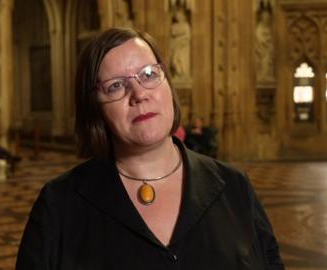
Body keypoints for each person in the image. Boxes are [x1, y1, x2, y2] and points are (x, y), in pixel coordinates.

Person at [16, 27, 284, 269]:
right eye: (116, 86)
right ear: (94, 107)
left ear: (167, 83)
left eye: (148, 74)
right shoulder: (59, 204)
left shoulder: (234, 186)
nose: (139, 94)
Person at [169, 9, 191, 80]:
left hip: (183, 47)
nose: (178, 17)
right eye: (177, 16)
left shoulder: (186, 25)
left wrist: (180, 38)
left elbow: (188, 36)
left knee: (181, 60)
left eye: (179, 15)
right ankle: (177, 74)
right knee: (174, 60)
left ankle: (182, 74)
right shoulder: (174, 25)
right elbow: (173, 32)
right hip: (175, 46)